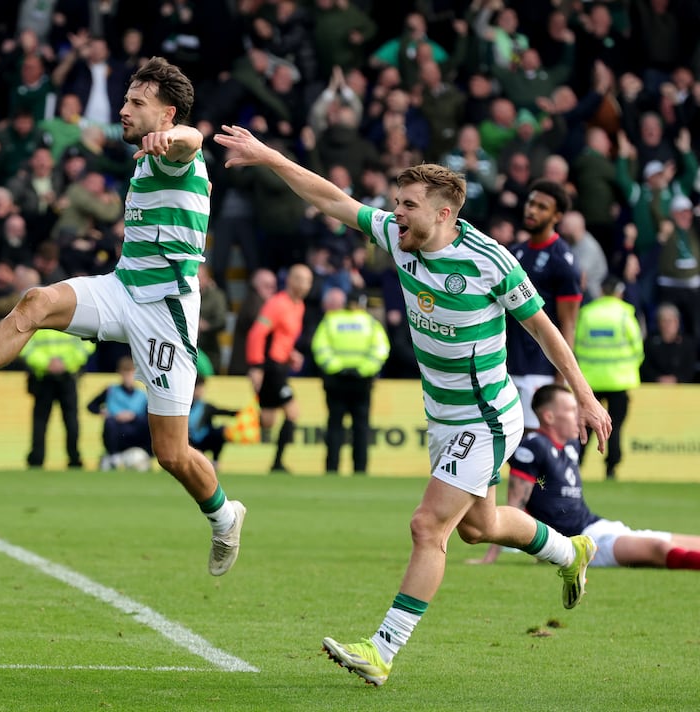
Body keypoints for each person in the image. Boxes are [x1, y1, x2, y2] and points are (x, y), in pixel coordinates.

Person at [214, 124, 611, 686]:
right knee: (481, 526)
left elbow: (546, 333)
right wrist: (268, 156)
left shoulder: (491, 261)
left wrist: (586, 398)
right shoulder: (399, 238)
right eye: (395, 203)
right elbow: (331, 197)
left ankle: (382, 651)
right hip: (443, 418)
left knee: (429, 527)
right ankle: (570, 552)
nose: (394, 213)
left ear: (445, 214)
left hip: (487, 417)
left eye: (407, 206)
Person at [0, 58, 247, 577]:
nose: (124, 111)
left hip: (166, 312)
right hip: (124, 287)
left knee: (172, 454)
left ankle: (224, 517)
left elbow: (194, 140)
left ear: (166, 113)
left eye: (136, 103)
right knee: (35, 301)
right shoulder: (140, 160)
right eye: (126, 100)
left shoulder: (173, 152)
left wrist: (173, 137)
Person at [471, 384, 700, 570]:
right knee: (659, 548)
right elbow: (515, 504)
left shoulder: (571, 444)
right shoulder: (533, 447)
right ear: (549, 416)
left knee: (677, 540)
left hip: (596, 525)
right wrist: (493, 554)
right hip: (580, 543)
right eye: (571, 409)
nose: (578, 415)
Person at [507, 180, 582, 429]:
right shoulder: (514, 253)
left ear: (557, 215)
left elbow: (568, 325)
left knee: (532, 444)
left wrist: (558, 382)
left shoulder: (562, 261)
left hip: (539, 369)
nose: (532, 210)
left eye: (542, 207)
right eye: (531, 203)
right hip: (506, 362)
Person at [311, 288, 390, 476]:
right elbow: (381, 350)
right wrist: (362, 370)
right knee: (361, 429)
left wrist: (337, 367)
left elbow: (320, 348)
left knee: (335, 427)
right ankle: (360, 471)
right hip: (361, 382)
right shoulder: (370, 323)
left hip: (336, 381)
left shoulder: (331, 320)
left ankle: (331, 469)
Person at [574, 276, 644, 480]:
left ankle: (576, 466)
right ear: (618, 292)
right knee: (614, 427)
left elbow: (577, 346)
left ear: (601, 291)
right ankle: (611, 469)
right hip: (619, 381)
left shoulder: (587, 313)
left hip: (591, 382)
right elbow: (638, 348)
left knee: (585, 426)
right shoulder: (625, 314)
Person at [245, 263, 313, 473]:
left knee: (267, 420)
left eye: (308, 281)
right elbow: (257, 334)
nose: (305, 285)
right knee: (292, 413)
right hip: (271, 368)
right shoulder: (277, 304)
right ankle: (277, 463)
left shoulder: (298, 305)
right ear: (290, 281)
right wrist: (256, 366)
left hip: (281, 366)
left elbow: (283, 336)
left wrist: (291, 354)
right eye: (300, 279)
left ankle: (223, 430)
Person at [22, 329, 96, 469]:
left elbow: (25, 345)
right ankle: (74, 459)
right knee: (70, 419)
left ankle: (37, 460)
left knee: (41, 420)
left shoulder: (38, 317)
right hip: (59, 375)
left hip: (47, 375)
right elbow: (88, 344)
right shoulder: (72, 316)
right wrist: (65, 362)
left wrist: (46, 363)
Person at [87, 356, 153, 469]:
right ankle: (113, 455)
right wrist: (102, 412)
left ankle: (146, 455)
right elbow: (91, 406)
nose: (128, 377)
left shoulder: (142, 395)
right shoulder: (111, 390)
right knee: (109, 422)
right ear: (120, 374)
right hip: (118, 430)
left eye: (131, 373)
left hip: (135, 430)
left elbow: (148, 415)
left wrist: (133, 416)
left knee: (148, 423)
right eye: (125, 373)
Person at [188, 375, 238, 471]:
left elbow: (224, 412)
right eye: (197, 388)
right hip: (188, 441)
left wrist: (241, 413)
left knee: (221, 431)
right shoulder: (184, 406)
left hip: (204, 440)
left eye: (201, 388)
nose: (200, 391)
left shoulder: (206, 407)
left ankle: (215, 461)